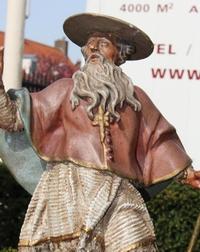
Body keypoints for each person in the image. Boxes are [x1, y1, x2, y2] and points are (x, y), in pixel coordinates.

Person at [0, 13, 199, 252]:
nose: (92, 48)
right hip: (67, 189)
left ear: (120, 53)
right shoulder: (64, 91)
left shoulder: (137, 100)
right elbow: (12, 119)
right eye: (90, 44)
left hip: (118, 191)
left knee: (136, 245)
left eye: (103, 43)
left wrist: (186, 174)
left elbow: (158, 140)